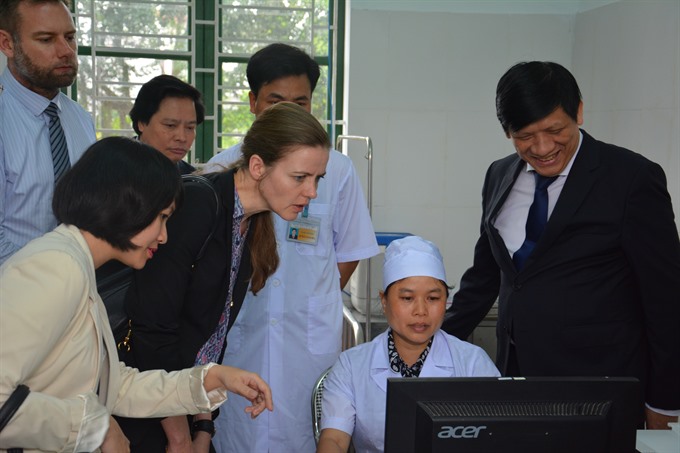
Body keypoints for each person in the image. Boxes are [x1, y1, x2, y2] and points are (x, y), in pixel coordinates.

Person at [441, 61, 680, 430]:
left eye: (555, 130)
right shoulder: (499, 173)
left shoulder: (631, 179)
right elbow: (486, 276)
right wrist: (429, 341)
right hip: (513, 374)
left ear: (579, 111)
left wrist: (665, 401)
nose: (542, 147)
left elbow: (666, 300)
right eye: (524, 136)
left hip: (598, 386)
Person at [0, 136, 273, 452]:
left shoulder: (77, 264)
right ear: (124, 207)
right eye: (162, 218)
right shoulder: (55, 265)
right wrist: (94, 427)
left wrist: (211, 379)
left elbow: (113, 386)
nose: (164, 235)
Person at [116, 102, 330, 452]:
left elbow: (210, 339)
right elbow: (153, 331)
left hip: (184, 408)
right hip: (144, 408)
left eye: (317, 178)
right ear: (258, 166)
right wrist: (179, 436)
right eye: (300, 177)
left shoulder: (250, 222)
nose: (312, 193)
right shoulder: (200, 204)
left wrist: (203, 426)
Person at [204, 43, 379, 453]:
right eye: (275, 100)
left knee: (307, 431)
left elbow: (350, 248)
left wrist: (312, 300)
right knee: (236, 432)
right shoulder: (222, 167)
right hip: (242, 336)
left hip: (308, 340)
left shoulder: (336, 170)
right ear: (252, 102)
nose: (290, 111)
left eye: (301, 101)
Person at [317, 236, 500, 453]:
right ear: (384, 301)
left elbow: (496, 437)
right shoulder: (351, 366)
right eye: (407, 298)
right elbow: (334, 440)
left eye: (433, 298)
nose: (421, 311)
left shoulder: (473, 363)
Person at [0, 0, 96, 265]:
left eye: (70, 37)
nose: (66, 51)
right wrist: (48, 282)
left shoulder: (81, 120)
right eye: (46, 39)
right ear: (7, 44)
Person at [129, 74, 205, 174]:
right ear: (142, 123)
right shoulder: (109, 169)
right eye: (170, 125)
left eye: (190, 128)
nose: (182, 138)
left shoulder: (192, 182)